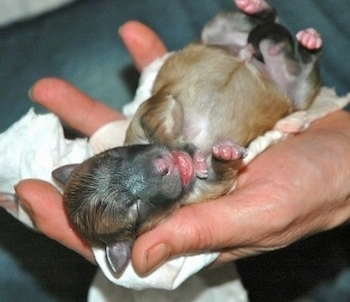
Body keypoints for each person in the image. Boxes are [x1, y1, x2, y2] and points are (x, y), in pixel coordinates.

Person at [15, 21, 350, 278]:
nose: (155, 167)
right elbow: (219, 181)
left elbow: (156, 108)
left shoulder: (144, 130)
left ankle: (263, 21)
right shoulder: (192, 194)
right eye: (134, 206)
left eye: (117, 159)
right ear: (129, 242)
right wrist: (221, 161)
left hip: (227, 56)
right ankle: (306, 54)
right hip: (278, 84)